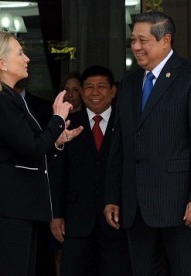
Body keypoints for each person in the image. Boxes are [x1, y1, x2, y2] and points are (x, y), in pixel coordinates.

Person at [103, 11, 191, 276]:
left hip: (182, 206)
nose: (135, 46)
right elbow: (120, 145)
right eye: (133, 40)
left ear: (165, 40)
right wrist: (113, 196)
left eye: (143, 40)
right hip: (137, 209)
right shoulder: (130, 83)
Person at [0, 31, 83, 276]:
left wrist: (56, 138)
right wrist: (58, 119)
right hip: (7, 206)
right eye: (20, 53)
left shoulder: (8, 99)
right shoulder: (0, 100)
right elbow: (31, 148)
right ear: (1, 62)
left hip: (18, 206)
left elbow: (26, 146)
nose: (27, 58)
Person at [50, 65, 132, 275]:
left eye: (101, 86)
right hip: (76, 222)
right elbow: (57, 174)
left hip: (117, 223)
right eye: (88, 87)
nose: (95, 92)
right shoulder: (67, 125)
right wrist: (56, 215)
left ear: (113, 91)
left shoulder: (128, 125)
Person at [13, 78, 56, 275]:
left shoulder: (42, 107)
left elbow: (50, 151)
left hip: (39, 191)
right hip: (12, 193)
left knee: (39, 256)